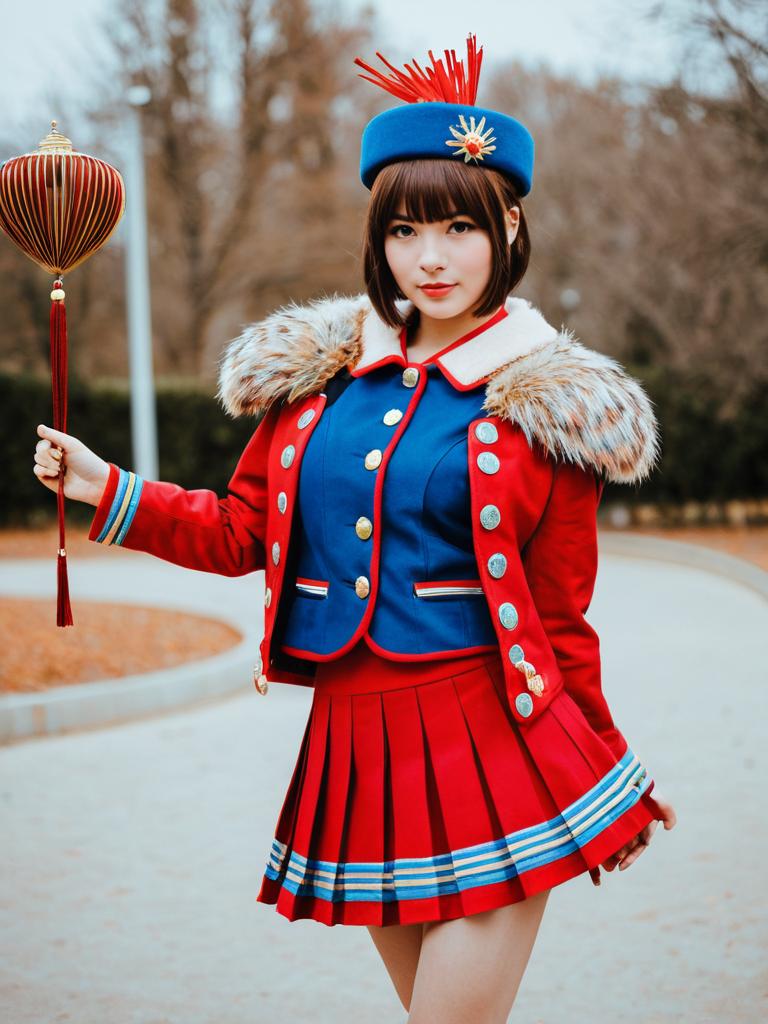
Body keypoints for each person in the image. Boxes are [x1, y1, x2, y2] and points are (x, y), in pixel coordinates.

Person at [32, 35, 677, 1024]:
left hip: (494, 738)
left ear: (508, 229)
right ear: (376, 241)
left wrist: (603, 757)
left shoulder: (554, 404)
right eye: (405, 230)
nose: (430, 256)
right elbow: (243, 528)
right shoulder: (319, 382)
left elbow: (560, 615)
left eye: (459, 227)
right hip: (357, 744)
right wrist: (108, 487)